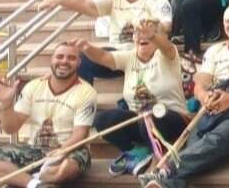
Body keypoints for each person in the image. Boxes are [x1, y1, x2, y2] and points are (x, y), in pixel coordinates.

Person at [139, 4, 229, 188]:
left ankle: (165, 171)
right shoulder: (214, 50)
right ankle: (168, 181)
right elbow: (201, 82)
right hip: (213, 107)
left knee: (217, 140)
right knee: (195, 146)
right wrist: (203, 97)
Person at [74, 21, 188, 176]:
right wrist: (86, 47)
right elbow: (104, 56)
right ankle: (138, 152)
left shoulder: (167, 55)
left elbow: (166, 47)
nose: (143, 35)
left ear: (161, 36)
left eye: (151, 32)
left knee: (152, 116)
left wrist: (153, 36)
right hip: (141, 122)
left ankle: (158, 161)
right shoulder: (129, 57)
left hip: (172, 121)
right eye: (138, 32)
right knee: (102, 120)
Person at [0, 42, 96, 188]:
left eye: (71, 58)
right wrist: (6, 104)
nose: (64, 61)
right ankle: (35, 184)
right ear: (51, 60)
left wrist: (60, 152)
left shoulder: (86, 92)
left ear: (78, 63)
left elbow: (80, 134)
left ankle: (28, 178)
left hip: (70, 149)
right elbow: (10, 128)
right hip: (35, 150)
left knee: (66, 168)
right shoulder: (34, 86)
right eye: (59, 56)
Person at [39, 0, 172, 83]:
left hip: (145, 52)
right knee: (81, 59)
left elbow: (166, 25)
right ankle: (82, 98)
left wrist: (148, 29)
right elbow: (87, 4)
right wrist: (59, 1)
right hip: (116, 54)